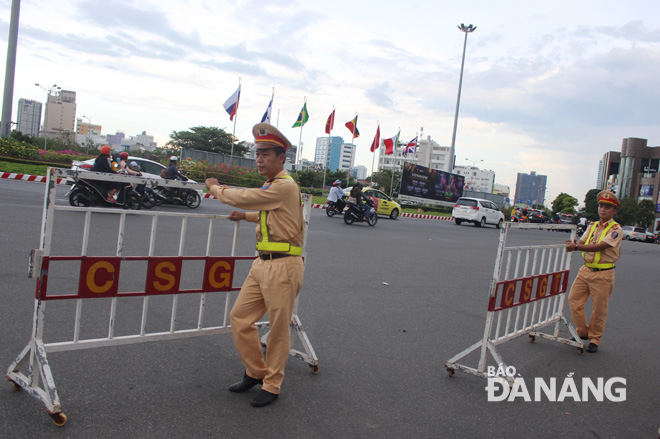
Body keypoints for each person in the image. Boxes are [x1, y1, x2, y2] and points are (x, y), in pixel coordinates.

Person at [205, 123, 305, 408]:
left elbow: (248, 197)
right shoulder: (273, 187)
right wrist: (246, 217)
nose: (259, 159)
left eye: (265, 154)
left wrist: (216, 188)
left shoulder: (284, 185)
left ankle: (272, 384)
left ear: (281, 158)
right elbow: (276, 216)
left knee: (278, 329)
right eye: (257, 154)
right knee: (239, 317)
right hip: (263, 263)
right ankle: (257, 372)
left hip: (284, 266)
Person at [565, 190, 622, 353]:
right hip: (586, 270)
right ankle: (582, 332)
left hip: (604, 274)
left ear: (614, 211)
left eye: (608, 207)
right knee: (574, 300)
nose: (603, 209)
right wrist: (573, 243)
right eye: (601, 206)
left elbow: (601, 246)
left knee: (599, 308)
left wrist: (576, 247)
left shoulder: (616, 229)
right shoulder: (592, 226)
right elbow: (582, 241)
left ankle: (595, 338)